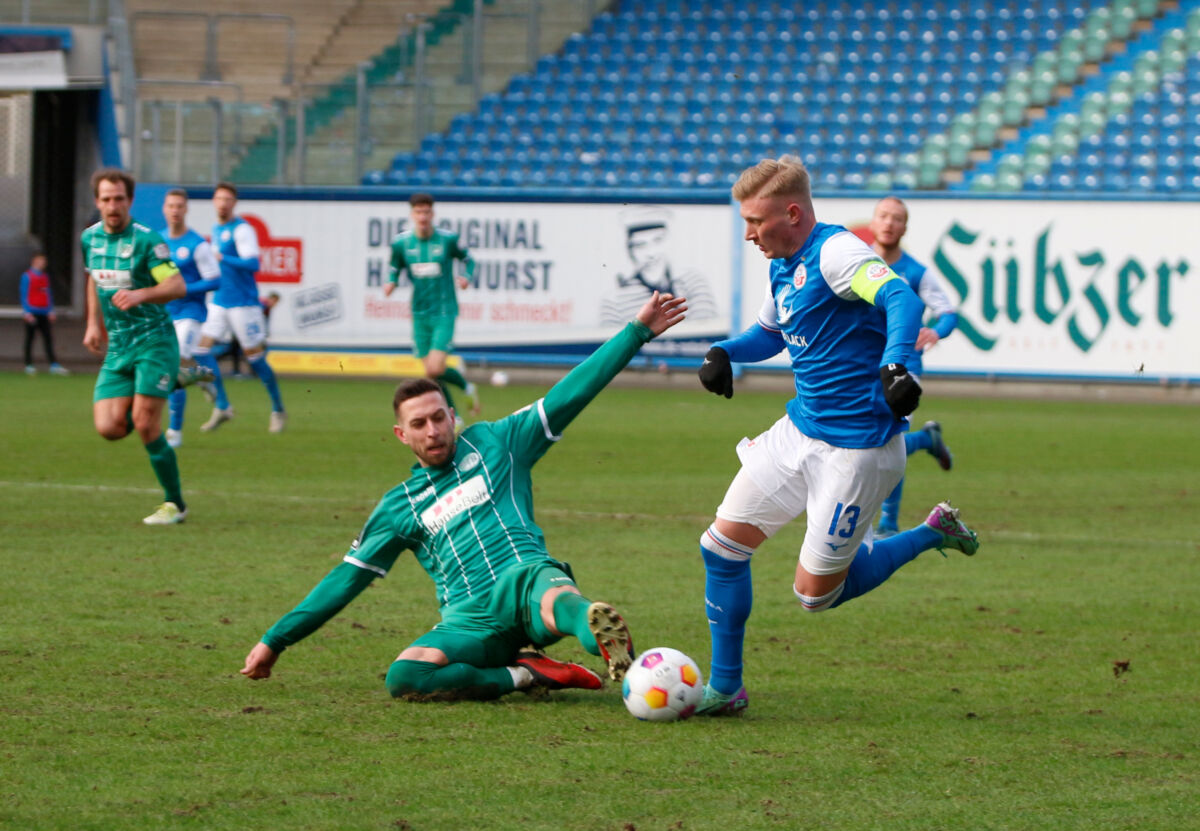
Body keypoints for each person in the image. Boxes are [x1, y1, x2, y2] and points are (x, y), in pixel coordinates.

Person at [241, 291, 689, 701]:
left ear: (452, 416)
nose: (433, 430)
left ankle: (603, 637)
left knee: (563, 605)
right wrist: (274, 639)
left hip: (526, 579)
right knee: (405, 677)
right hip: (470, 618)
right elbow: (344, 580)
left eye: (439, 418)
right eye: (419, 424)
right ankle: (526, 674)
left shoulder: (498, 442)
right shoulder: (398, 506)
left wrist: (636, 331)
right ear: (401, 435)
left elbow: (570, 393)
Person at [693, 157, 980, 715]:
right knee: (720, 549)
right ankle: (726, 689)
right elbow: (770, 331)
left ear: (792, 212)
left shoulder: (837, 252)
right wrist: (726, 352)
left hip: (857, 451)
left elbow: (902, 298)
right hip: (797, 433)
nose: (748, 234)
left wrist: (895, 365)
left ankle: (930, 532)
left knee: (814, 596)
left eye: (755, 221)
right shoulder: (783, 260)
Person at [81, 169, 196, 525]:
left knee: (145, 423)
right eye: (106, 199)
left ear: (129, 201)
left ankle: (174, 504)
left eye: (118, 198)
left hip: (154, 340)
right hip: (119, 346)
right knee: (110, 428)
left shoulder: (148, 242)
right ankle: (174, 378)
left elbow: (176, 286)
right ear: (97, 202)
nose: (112, 205)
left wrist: (141, 293)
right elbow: (93, 278)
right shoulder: (90, 239)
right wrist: (92, 323)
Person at [868, 196, 960, 536]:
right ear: (874, 222)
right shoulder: (856, 265)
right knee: (876, 440)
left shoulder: (916, 272)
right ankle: (929, 440)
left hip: (906, 368)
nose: (889, 223)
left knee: (888, 442)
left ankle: (888, 523)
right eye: (884, 216)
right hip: (866, 367)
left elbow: (949, 313)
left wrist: (935, 331)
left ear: (904, 227)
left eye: (897, 218)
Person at [192, 182, 287, 434]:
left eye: (227, 199)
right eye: (219, 198)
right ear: (213, 202)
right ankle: (222, 405)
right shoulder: (217, 228)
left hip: (243, 304)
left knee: (255, 360)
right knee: (199, 350)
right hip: (220, 301)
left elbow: (253, 263)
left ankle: (278, 409)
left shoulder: (242, 229)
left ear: (234, 203)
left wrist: (224, 258)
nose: (222, 203)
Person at [383, 193, 480, 426]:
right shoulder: (402, 243)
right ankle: (460, 403)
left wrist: (466, 277)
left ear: (432, 214)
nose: (423, 216)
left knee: (435, 368)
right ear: (412, 215)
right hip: (419, 313)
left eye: (426, 212)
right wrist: (391, 281)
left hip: (444, 311)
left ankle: (459, 404)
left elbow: (469, 260)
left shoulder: (447, 240)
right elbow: (394, 265)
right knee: (431, 372)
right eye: (418, 212)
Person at [160, 188, 222, 449]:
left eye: (179, 206)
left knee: (175, 365)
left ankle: (174, 432)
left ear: (186, 210)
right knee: (175, 368)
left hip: (191, 314)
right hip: (166, 314)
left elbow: (214, 280)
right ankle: (200, 375)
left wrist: (185, 289)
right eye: (171, 206)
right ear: (165, 209)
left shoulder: (197, 245)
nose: (175, 210)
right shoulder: (159, 242)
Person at [599, 205, 720, 324]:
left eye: (658, 240)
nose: (651, 253)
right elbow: (612, 343)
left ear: (669, 241)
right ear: (630, 250)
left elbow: (707, 333)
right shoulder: (614, 301)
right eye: (640, 245)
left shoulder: (694, 281)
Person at [19, 251, 68, 376]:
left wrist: (50, 310)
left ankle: (54, 365)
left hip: (44, 312)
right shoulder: (27, 276)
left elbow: (48, 294)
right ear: (34, 261)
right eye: (40, 261)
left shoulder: (44, 277)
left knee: (48, 339)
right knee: (30, 339)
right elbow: (24, 294)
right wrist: (27, 312)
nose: (43, 263)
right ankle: (28, 364)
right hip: (32, 312)